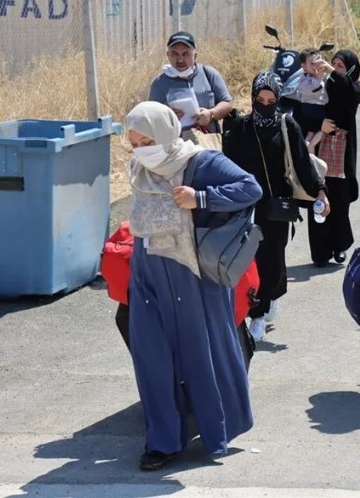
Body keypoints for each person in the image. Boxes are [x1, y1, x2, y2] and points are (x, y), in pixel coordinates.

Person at [125, 101, 261, 470]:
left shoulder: (197, 161)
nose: (140, 150)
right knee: (151, 355)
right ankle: (163, 442)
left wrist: (200, 198)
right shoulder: (140, 166)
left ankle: (217, 429)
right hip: (147, 268)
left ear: (166, 133)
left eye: (147, 140)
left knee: (202, 352)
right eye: (134, 143)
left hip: (190, 272)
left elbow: (250, 188)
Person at [222, 72, 329, 342]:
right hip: (247, 207)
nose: (265, 105)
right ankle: (258, 309)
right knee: (250, 258)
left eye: (271, 100)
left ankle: (266, 304)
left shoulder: (286, 124)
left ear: (278, 100)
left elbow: (303, 162)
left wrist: (320, 192)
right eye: (260, 99)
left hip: (277, 206)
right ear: (253, 98)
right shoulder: (240, 128)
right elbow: (226, 166)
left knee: (272, 258)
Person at [307, 50, 360, 267]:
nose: (333, 69)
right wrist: (318, 125)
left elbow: (350, 94)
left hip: (341, 152)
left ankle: (339, 247)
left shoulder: (356, 88)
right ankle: (320, 253)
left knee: (340, 202)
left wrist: (333, 73)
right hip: (319, 146)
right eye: (332, 64)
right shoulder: (316, 87)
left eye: (340, 66)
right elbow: (302, 111)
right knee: (319, 198)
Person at [148, 32, 233, 136]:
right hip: (175, 147)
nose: (180, 59)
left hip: (208, 144)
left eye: (185, 54)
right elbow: (150, 117)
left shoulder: (208, 74)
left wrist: (211, 114)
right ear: (168, 55)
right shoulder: (159, 83)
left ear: (195, 54)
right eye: (175, 53)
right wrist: (168, 116)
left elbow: (227, 103)